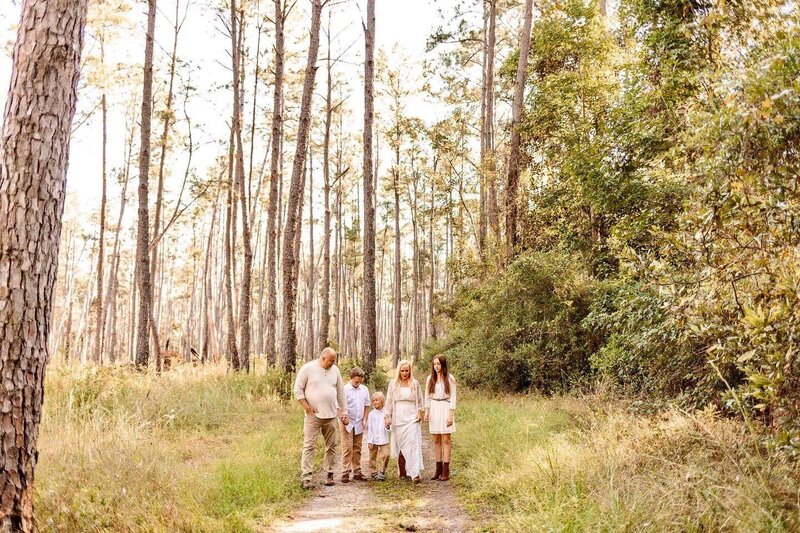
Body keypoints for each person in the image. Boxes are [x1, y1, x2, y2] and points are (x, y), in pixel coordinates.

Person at [293, 347, 348, 489]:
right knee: (309, 445)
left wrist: (344, 412)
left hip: (331, 416)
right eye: (331, 360)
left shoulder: (335, 370)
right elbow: (298, 389)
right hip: (313, 416)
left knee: (332, 446)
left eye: (334, 360)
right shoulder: (308, 368)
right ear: (323, 358)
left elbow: (341, 392)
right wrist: (306, 407)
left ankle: (329, 473)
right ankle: (306, 477)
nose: (333, 363)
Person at [385, 360, 424, 483]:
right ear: (399, 371)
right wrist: (388, 416)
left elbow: (420, 400)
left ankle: (415, 473)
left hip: (412, 417)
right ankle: (402, 469)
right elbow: (389, 401)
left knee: (413, 444)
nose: (404, 373)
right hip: (399, 417)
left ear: (410, 371)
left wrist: (419, 413)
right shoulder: (393, 384)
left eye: (407, 370)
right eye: (402, 371)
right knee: (401, 444)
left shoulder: (415, 383)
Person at [424, 355, 457, 481]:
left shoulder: (449, 378)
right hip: (434, 407)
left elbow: (453, 397)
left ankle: (445, 468)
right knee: (436, 440)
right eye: (434, 364)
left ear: (443, 365)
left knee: (446, 439)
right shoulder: (430, 379)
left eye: (438, 364)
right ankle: (437, 467)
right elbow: (427, 396)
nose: (436, 366)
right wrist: (426, 411)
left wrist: (450, 414)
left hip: (445, 406)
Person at [340, 366, 370, 483]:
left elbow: (367, 405)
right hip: (347, 421)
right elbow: (339, 406)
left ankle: (357, 471)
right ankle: (345, 471)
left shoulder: (364, 389)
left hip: (358, 421)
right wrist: (343, 418)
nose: (358, 383)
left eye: (360, 381)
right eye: (356, 381)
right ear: (350, 378)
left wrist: (365, 419)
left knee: (357, 447)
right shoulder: (344, 390)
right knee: (347, 447)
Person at [365, 391, 391, 481]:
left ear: (382, 401)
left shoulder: (386, 413)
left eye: (377, 400)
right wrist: (370, 440)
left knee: (386, 455)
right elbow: (369, 428)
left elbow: (390, 428)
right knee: (372, 457)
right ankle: (373, 472)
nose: (375, 402)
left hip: (383, 438)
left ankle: (382, 471)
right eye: (373, 401)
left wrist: (388, 426)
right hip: (373, 439)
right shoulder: (371, 414)